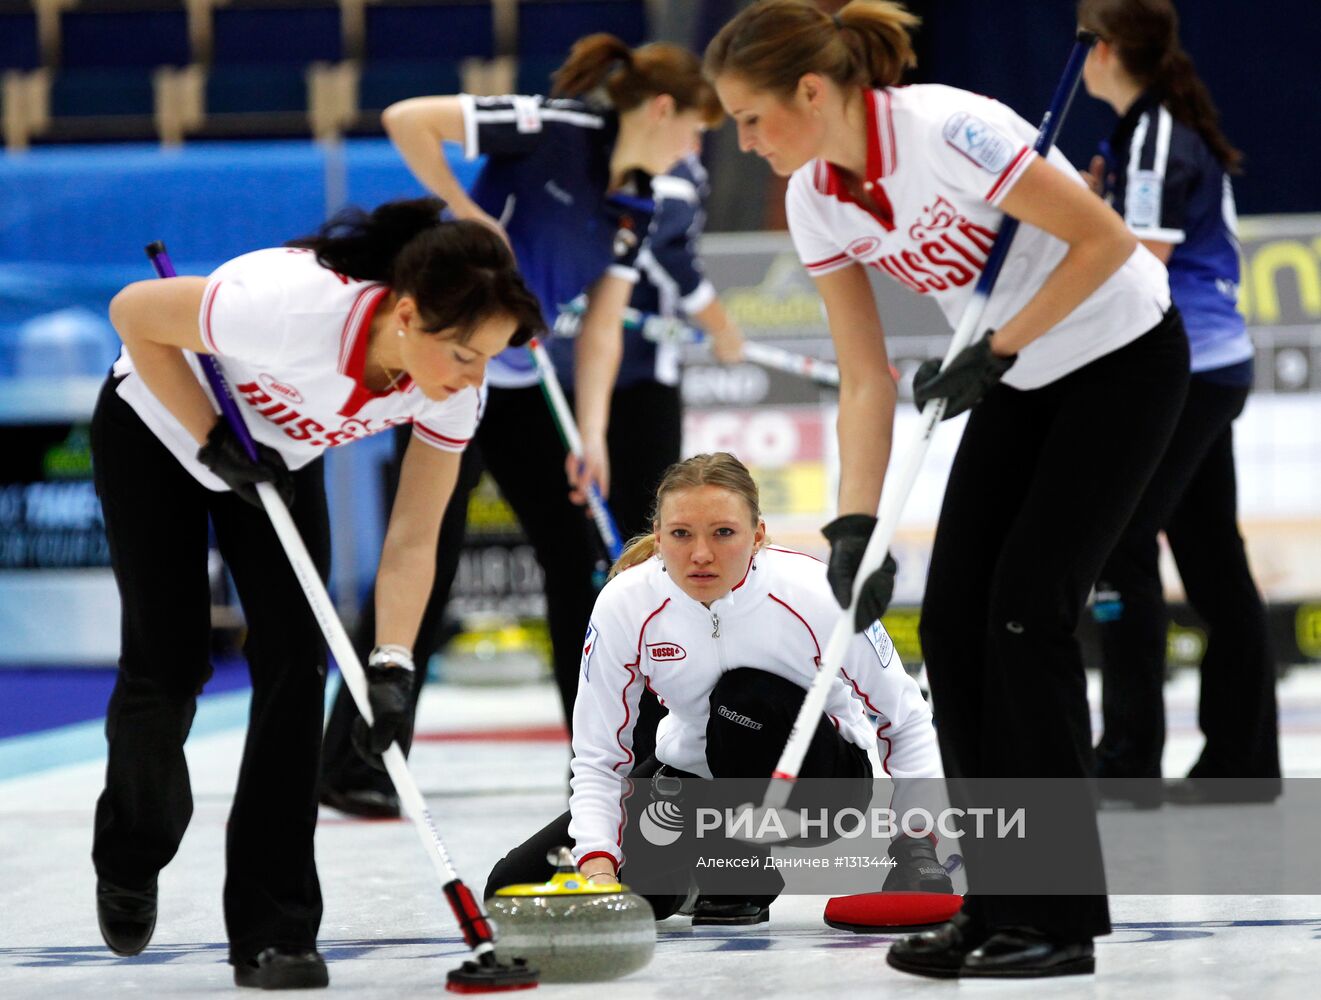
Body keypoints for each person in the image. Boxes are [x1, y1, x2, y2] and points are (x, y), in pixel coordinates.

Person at [706, 0, 1188, 978]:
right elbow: (862, 374)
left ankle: (1057, 919)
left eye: (752, 119)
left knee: (1023, 616)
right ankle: (997, 899)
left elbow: (1105, 245)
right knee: (952, 624)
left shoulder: (947, 130)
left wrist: (996, 348)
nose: (747, 144)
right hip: (1016, 372)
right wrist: (855, 526)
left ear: (810, 90)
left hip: (1119, 355)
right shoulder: (816, 197)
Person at [89, 198, 543, 989]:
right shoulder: (293, 310)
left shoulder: (452, 393)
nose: (472, 378)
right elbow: (133, 312)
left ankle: (275, 931)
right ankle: (131, 852)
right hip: (160, 424)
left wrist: (393, 664)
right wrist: (208, 433)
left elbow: (412, 537)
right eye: (465, 354)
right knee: (168, 666)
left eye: (487, 360)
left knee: (298, 665)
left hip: (273, 463)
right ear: (406, 314)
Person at [318, 34, 723, 817]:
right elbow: (408, 118)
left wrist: (593, 435)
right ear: (662, 108)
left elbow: (602, 326)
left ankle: (598, 764)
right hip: (448, 375)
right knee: (421, 552)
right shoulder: (551, 126)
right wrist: (467, 212)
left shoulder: (637, 198)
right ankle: (356, 761)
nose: (697, 147)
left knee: (579, 561)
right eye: (695, 128)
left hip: (529, 383)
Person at [484, 452, 946, 925]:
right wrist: (599, 867)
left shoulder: (818, 594)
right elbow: (599, 754)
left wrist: (915, 842)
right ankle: (674, 883)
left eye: (723, 533)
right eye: (681, 534)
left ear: (758, 535)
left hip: (821, 785)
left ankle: (743, 875)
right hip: (697, 775)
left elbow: (905, 716)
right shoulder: (625, 603)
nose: (701, 554)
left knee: (740, 701)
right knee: (512, 892)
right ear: (660, 536)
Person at [1078, 0, 1281, 808]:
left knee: (1120, 540)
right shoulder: (1138, 130)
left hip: (1186, 368)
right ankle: (1240, 760)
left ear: (1105, 51)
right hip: (1202, 365)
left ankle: (1128, 760)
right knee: (1207, 558)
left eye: (1083, 45)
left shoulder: (1158, 131)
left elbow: (1139, 264)